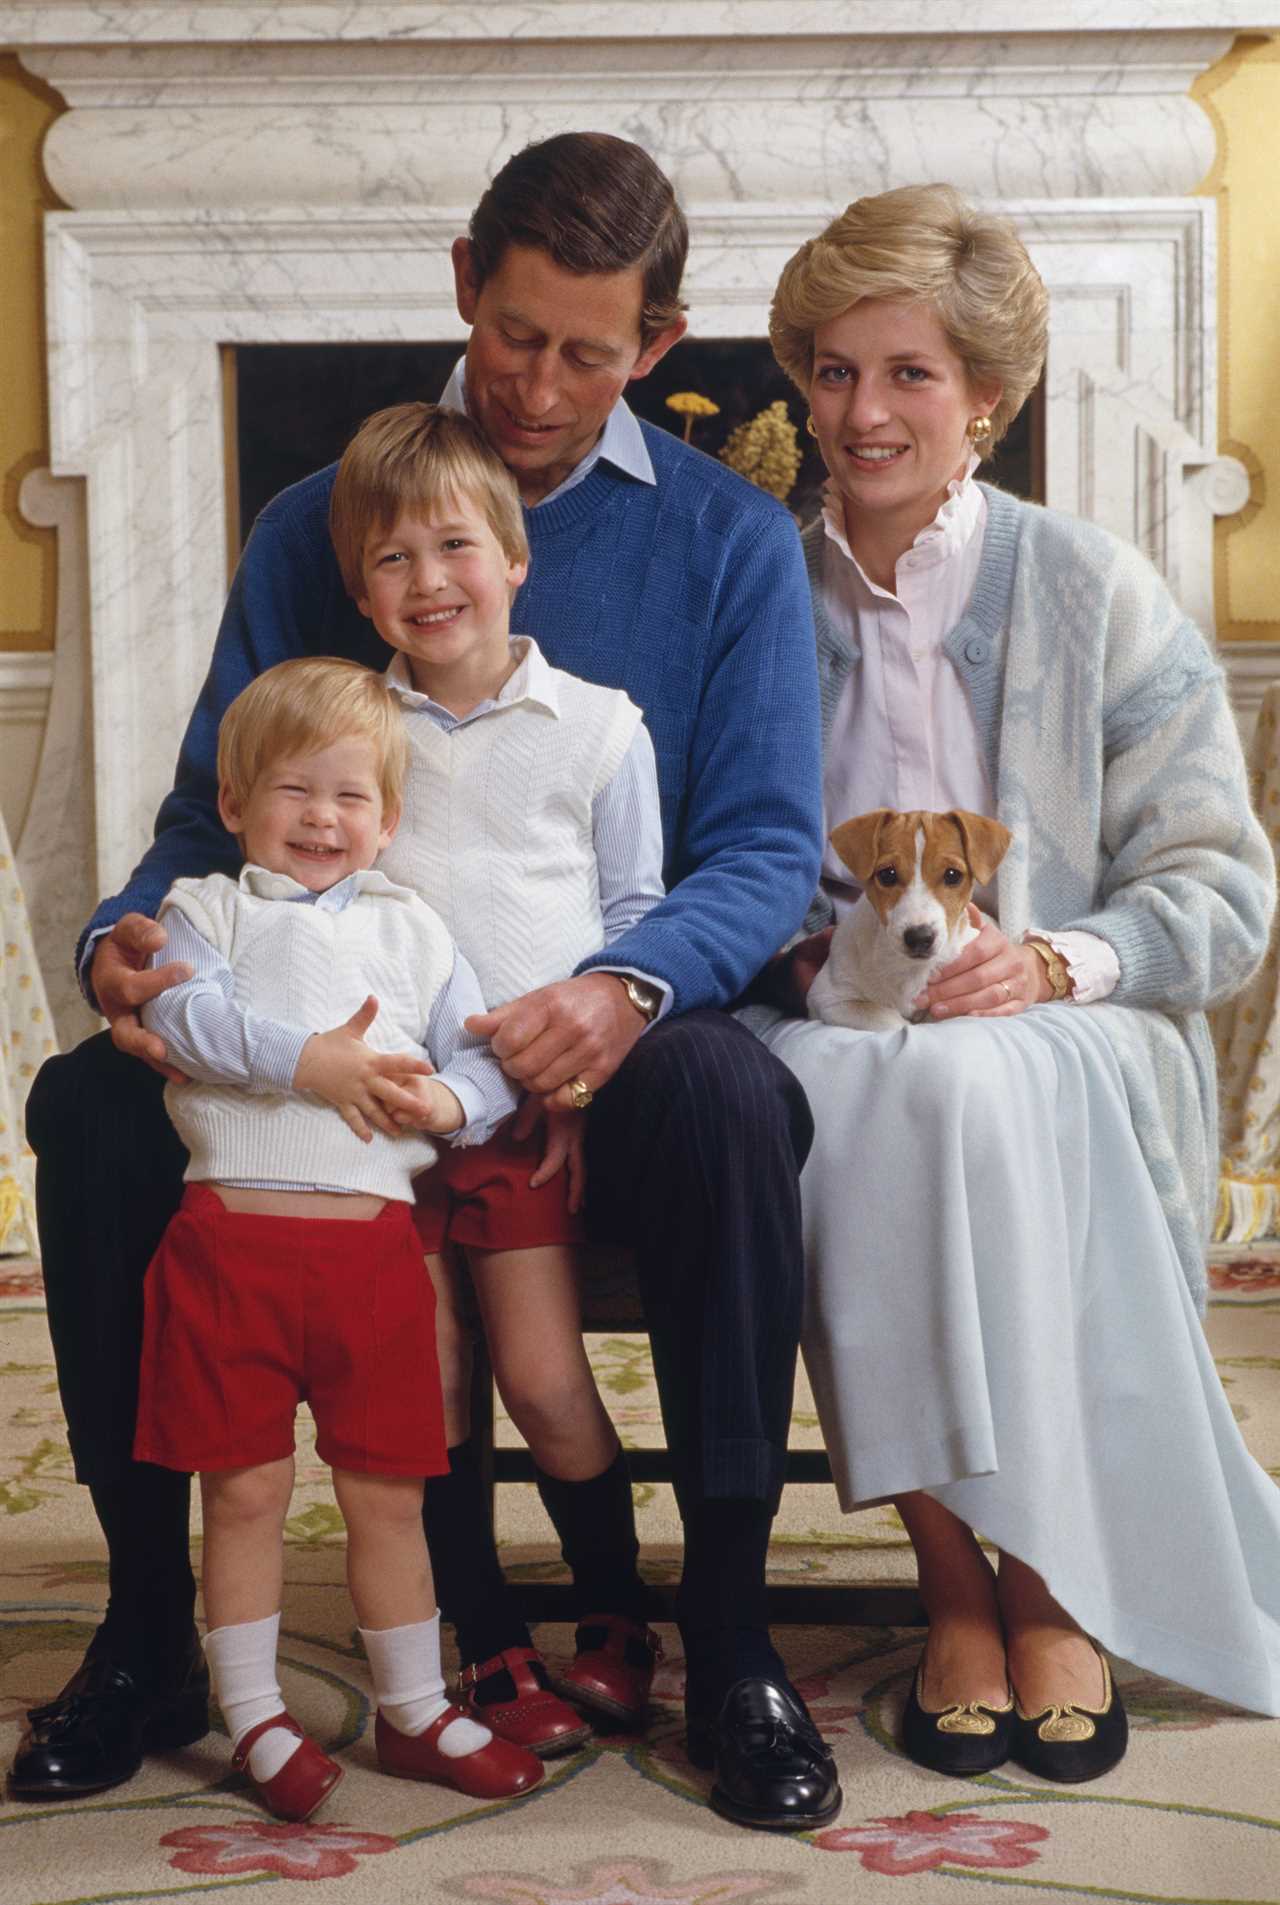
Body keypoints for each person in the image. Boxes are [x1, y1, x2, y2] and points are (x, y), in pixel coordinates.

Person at [16, 133, 835, 1832]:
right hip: (357, 1024)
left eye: (586, 353)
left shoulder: (730, 542)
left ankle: (730, 1630)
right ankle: (156, 1626)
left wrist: (622, 992)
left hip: (624, 1016)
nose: (537, 385)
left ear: (657, 347)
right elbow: (210, 805)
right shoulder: (328, 520)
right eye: (513, 332)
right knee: (87, 1105)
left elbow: (759, 852)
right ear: (466, 282)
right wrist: (124, 936)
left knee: (740, 1097)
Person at [738, 182, 1280, 1783]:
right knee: (870, 1082)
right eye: (834, 371)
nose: (864, 411)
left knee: (964, 1076)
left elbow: (1226, 896)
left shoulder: (1092, 586)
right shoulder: (757, 588)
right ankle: (957, 1576)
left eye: (910, 373)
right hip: (841, 1024)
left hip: (1074, 1029)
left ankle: (1049, 1581)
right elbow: (707, 857)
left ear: (988, 396)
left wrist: (1052, 957)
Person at [132, 656, 544, 1819]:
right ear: (233, 807)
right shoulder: (201, 912)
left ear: (390, 818)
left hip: (370, 1262)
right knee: (247, 1494)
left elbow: (481, 1058)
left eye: (349, 796)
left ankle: (413, 1711)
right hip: (232, 1253)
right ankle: (254, 1714)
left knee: (388, 1495)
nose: (321, 817)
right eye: (292, 792)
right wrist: (309, 1061)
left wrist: (449, 1107)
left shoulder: (416, 929)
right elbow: (185, 1015)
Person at [328, 400, 665, 1757]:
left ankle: (617, 1613)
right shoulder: (357, 734)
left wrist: (582, 1089)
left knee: (542, 1377)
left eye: (455, 546)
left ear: (516, 556)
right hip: (388, 1124)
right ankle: (490, 1640)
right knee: (439, 1382)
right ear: (361, 589)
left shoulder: (596, 728)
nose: (429, 583)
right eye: (393, 562)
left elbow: (640, 917)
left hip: (529, 1115)